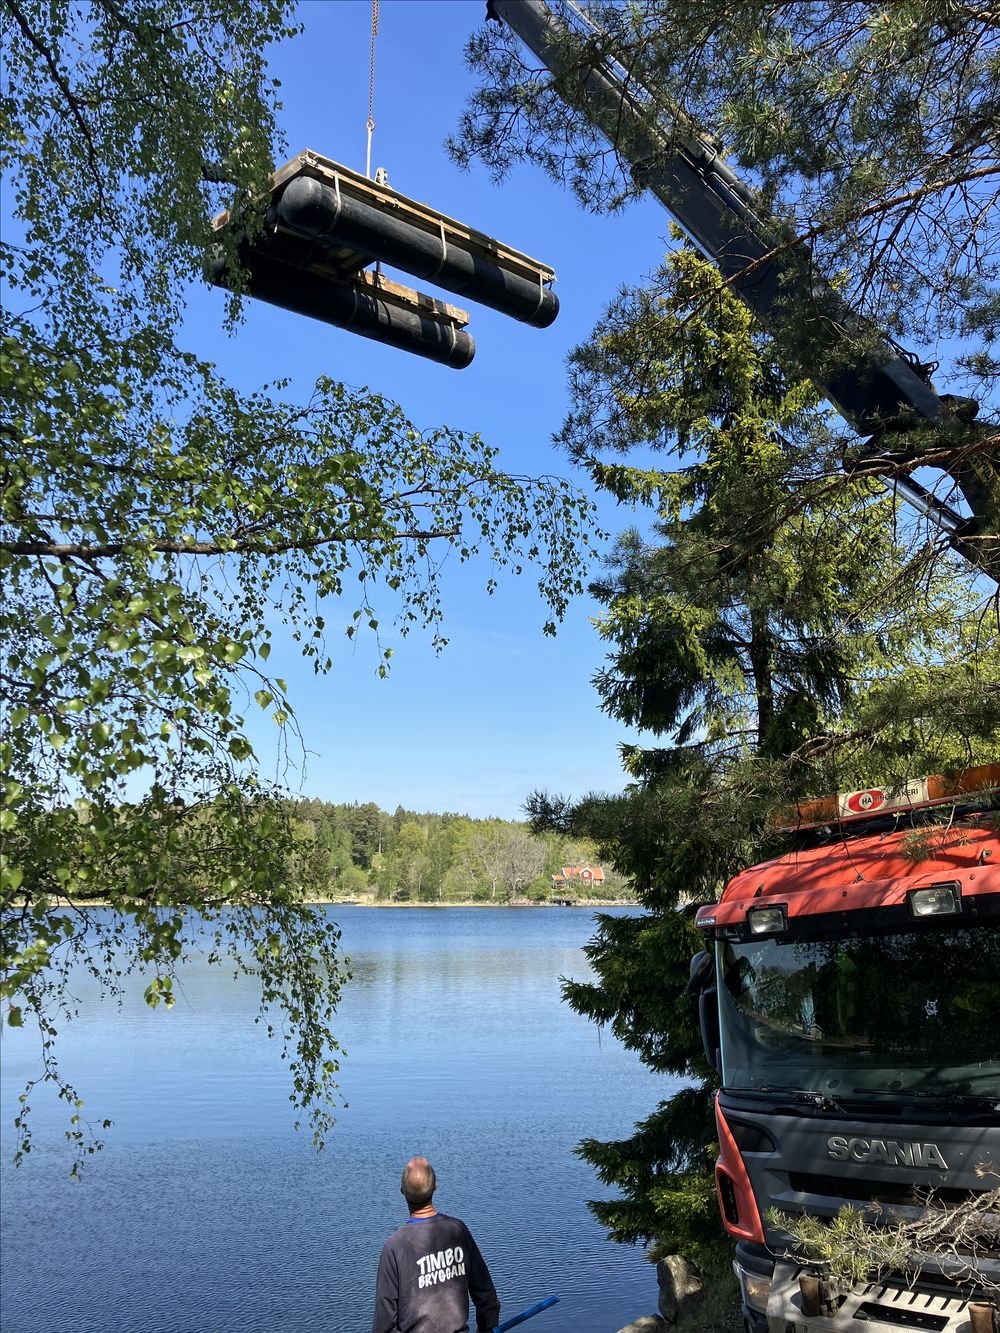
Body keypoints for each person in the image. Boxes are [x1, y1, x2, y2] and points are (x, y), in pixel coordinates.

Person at [372, 1156, 500, 1333]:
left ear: (402, 1191)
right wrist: (487, 1329)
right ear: (435, 1187)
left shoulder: (394, 1246)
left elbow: (384, 1324)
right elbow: (487, 1297)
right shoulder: (457, 1231)